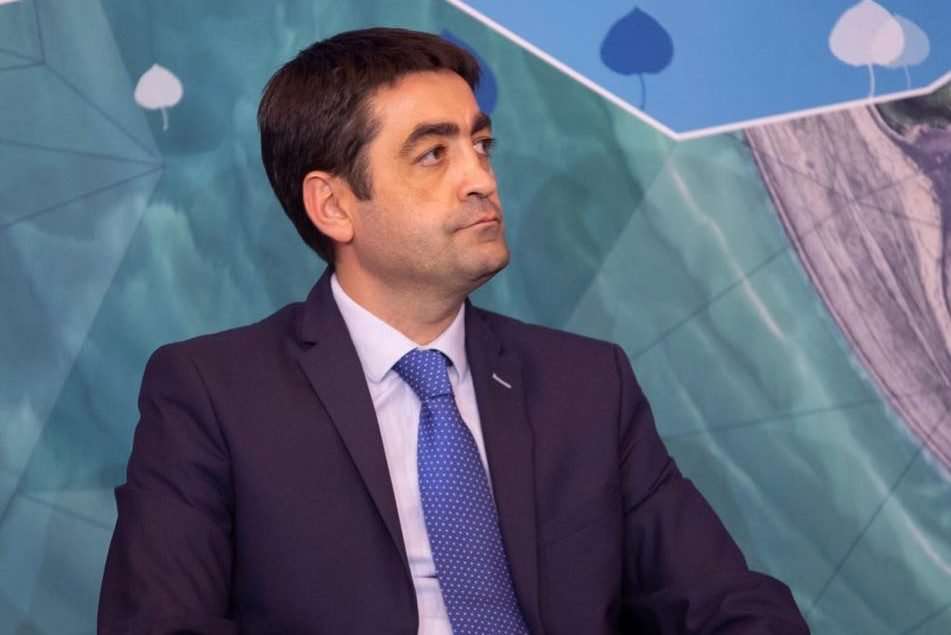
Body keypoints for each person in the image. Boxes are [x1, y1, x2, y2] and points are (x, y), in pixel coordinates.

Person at [98, 27, 809, 635]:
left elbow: (726, 601)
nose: (481, 179)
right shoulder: (215, 393)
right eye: (433, 154)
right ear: (333, 206)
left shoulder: (587, 385)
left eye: (482, 145)